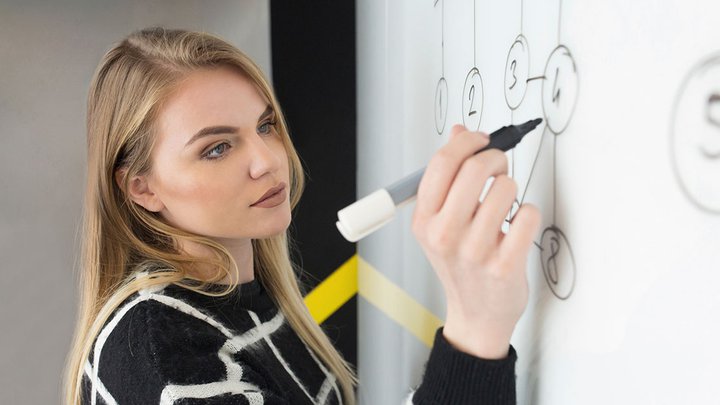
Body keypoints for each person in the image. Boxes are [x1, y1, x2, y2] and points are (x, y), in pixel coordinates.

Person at [63, 27, 540, 405]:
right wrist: (477, 327)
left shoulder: (246, 301)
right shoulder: (162, 350)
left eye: (266, 125)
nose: (268, 160)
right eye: (217, 148)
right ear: (141, 188)